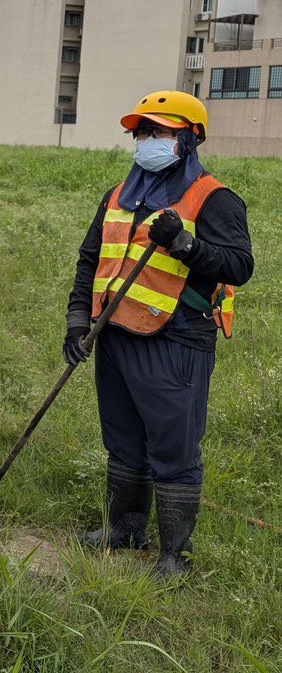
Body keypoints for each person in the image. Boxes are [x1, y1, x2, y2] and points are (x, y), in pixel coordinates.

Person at [63, 90, 251, 578]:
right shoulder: (119, 195)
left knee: (173, 446)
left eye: (160, 132)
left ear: (189, 139)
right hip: (116, 333)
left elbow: (239, 264)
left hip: (178, 337)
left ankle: (174, 555)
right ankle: (125, 531)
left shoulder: (215, 198)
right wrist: (77, 320)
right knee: (123, 439)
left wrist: (184, 243)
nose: (147, 140)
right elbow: (91, 259)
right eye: (142, 132)